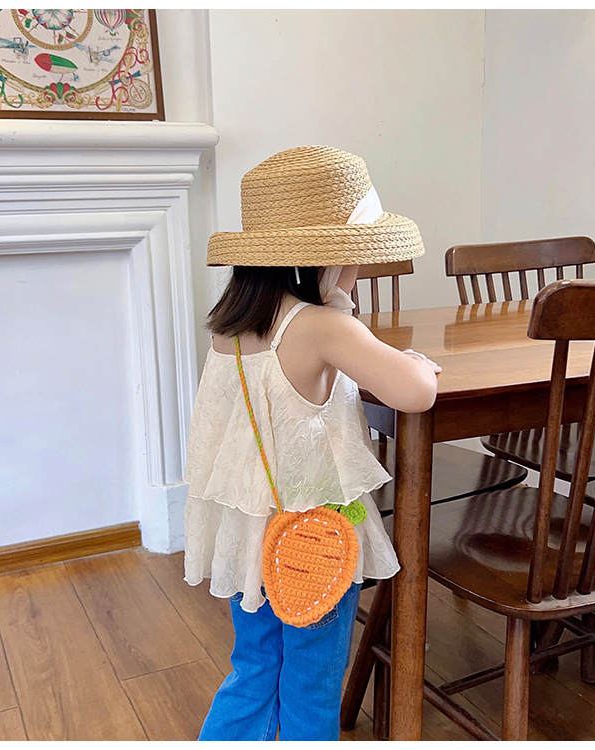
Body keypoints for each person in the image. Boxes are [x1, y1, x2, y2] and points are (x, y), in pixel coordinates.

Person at [183, 145, 441, 741]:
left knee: (254, 668)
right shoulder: (324, 326)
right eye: (352, 260)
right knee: (312, 681)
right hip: (317, 541)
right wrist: (415, 364)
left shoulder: (231, 328)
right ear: (322, 260)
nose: (357, 273)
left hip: (253, 535)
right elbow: (416, 393)